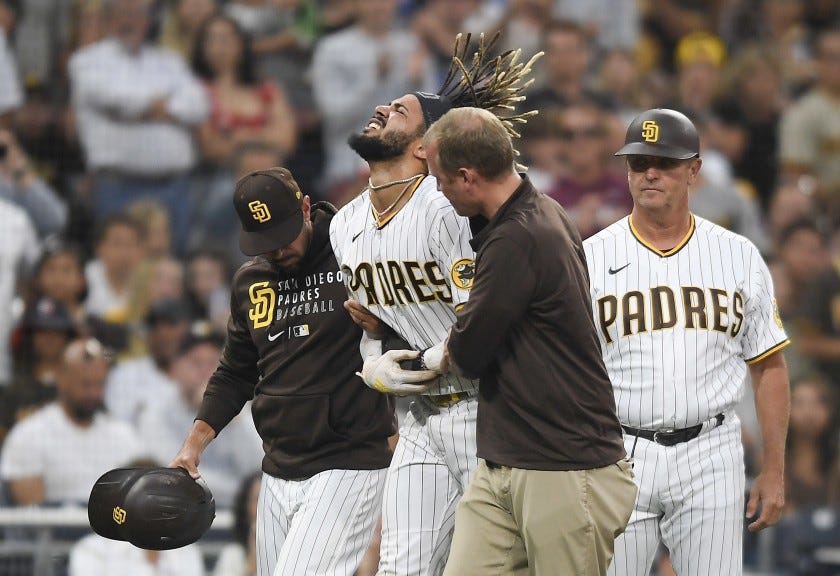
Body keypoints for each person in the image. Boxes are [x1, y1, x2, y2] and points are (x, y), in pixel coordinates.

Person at [330, 33, 542, 575]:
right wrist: (372, 363)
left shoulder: (446, 209)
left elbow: (480, 321)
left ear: (427, 146)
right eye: (387, 104)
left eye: (400, 110)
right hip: (421, 419)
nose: (382, 109)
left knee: (500, 565)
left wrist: (412, 358)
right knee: (401, 567)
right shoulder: (344, 224)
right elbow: (371, 323)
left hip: (486, 409)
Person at [414, 106, 635, 576]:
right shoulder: (537, 212)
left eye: (440, 179)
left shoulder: (520, 237)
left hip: (565, 467)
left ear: (467, 177)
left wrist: (424, 357)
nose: (438, 189)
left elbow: (469, 353)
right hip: (506, 460)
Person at [582, 108, 791, 576]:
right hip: (618, 449)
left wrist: (774, 469)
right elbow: (569, 371)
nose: (650, 173)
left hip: (711, 450)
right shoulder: (590, 257)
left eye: (665, 162)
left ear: (693, 170)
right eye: (639, 163)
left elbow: (769, 366)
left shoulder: (738, 255)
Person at [169, 167, 394, 576]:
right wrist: (193, 445)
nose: (277, 250)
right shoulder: (250, 282)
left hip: (349, 461)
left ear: (306, 208)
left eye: (284, 235)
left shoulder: (356, 253)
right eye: (265, 242)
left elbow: (413, 328)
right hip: (277, 466)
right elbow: (235, 372)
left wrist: (384, 329)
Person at [0, 338, 143, 506]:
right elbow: (30, 513)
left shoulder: (122, 435)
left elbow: (140, 497)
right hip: (54, 522)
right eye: (85, 384)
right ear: (61, 379)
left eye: (99, 384)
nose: (93, 393)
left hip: (111, 521)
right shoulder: (29, 434)